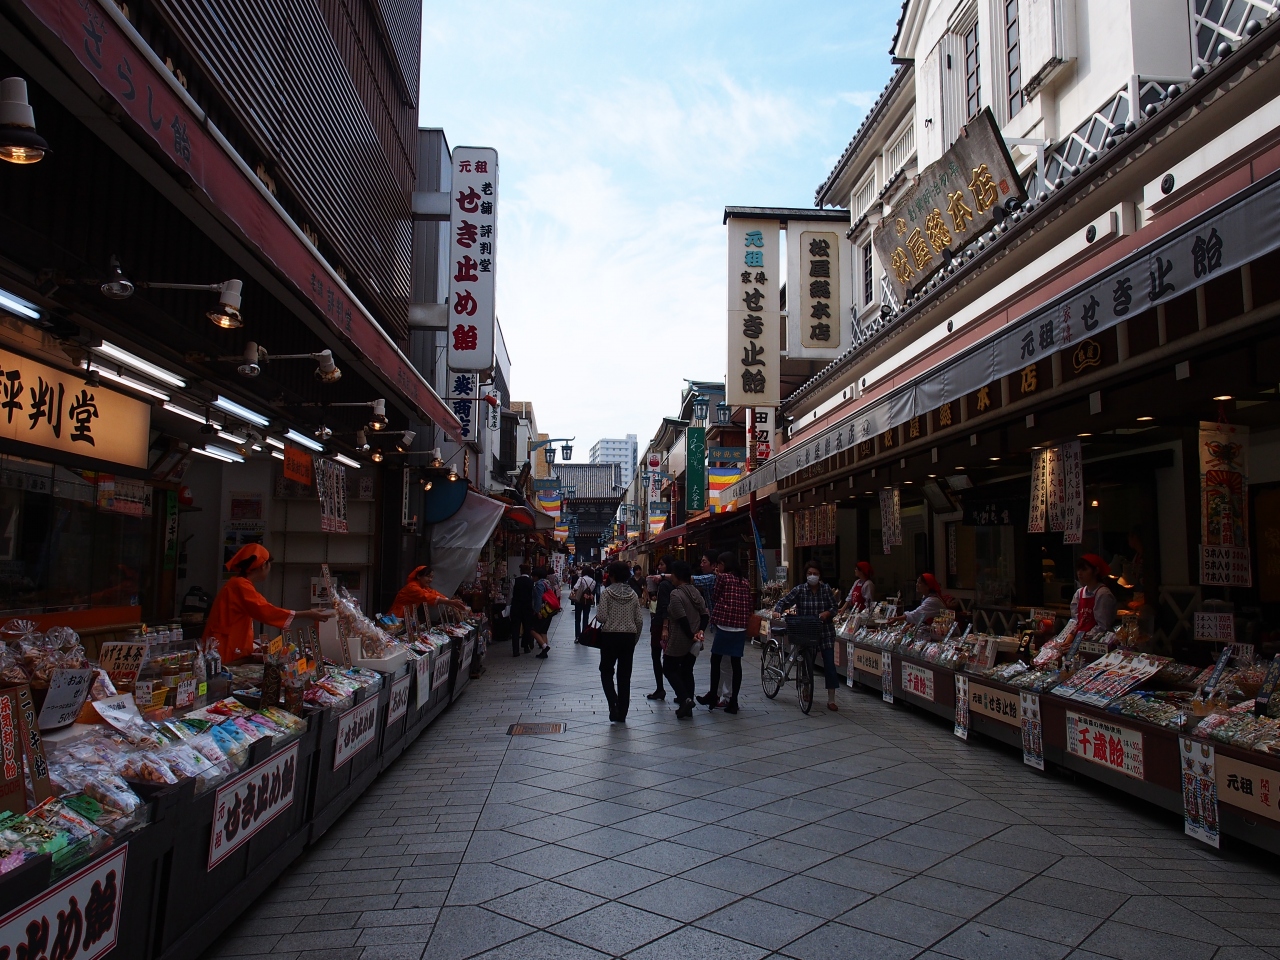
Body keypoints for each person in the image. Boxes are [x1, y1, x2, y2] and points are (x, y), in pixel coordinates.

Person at [204, 544, 333, 662]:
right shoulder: (240, 586)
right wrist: (307, 614)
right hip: (224, 646)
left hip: (226, 643)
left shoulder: (238, 584)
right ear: (263, 565)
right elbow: (266, 611)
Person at [773, 561, 841, 711]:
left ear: (820, 575)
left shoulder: (826, 590)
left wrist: (827, 613)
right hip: (806, 631)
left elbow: (834, 607)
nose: (812, 576)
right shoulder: (800, 590)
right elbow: (784, 601)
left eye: (815, 574)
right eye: (810, 573)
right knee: (806, 662)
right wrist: (777, 610)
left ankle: (831, 698)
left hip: (825, 631)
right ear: (805, 575)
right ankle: (806, 689)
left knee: (829, 664)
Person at [697, 552, 752, 714]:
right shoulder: (745, 581)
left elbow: (715, 596)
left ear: (724, 565)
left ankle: (714, 694)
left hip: (725, 624)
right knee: (736, 663)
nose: (718, 567)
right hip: (740, 626)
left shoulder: (723, 578)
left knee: (716, 660)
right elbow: (749, 603)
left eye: (720, 564)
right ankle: (733, 700)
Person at [596, 561, 644, 722]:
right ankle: (622, 712)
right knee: (624, 675)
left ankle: (613, 702)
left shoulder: (606, 593)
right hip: (628, 637)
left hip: (610, 636)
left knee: (606, 670)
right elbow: (639, 620)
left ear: (612, 575)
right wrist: (634, 639)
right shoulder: (633, 594)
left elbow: (601, 617)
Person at [663, 560, 707, 719]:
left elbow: (681, 618)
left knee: (668, 668)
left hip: (680, 638)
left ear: (677, 576)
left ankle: (685, 699)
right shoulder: (695, 591)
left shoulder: (676, 594)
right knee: (687, 670)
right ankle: (687, 707)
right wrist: (700, 631)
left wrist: (690, 634)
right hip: (695, 639)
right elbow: (705, 614)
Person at [391, 565, 470, 623]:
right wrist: (450, 602)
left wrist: (449, 602)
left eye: (432, 577)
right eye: (428, 576)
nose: (430, 580)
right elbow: (427, 597)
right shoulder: (412, 587)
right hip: (397, 618)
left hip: (406, 618)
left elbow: (433, 593)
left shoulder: (423, 587)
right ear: (418, 576)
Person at [646, 557, 674, 701]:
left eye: (662, 564)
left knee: (657, 656)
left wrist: (664, 627)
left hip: (660, 624)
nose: (659, 567)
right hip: (672, 623)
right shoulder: (675, 584)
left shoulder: (664, 585)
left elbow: (664, 606)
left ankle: (661, 688)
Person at [1071, 554, 1118, 634]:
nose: (1079, 573)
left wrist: (1085, 636)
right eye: (1078, 569)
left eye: (1084, 569)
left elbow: (1103, 626)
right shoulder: (1079, 593)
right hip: (1079, 637)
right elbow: (1075, 621)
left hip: (1096, 639)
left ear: (1096, 571)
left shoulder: (1103, 594)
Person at [529, 564, 556, 658]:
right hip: (549, 610)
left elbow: (538, 599)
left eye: (533, 576)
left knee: (532, 630)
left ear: (537, 576)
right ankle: (544, 652)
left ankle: (545, 647)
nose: (532, 578)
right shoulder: (546, 583)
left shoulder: (539, 584)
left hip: (543, 611)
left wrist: (537, 611)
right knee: (543, 631)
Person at [510, 564, 535, 655]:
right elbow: (533, 597)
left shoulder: (514, 581)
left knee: (515, 629)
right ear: (529, 572)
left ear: (520, 571)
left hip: (516, 607)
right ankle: (525, 646)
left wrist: (508, 606)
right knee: (527, 627)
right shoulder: (532, 582)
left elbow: (510, 595)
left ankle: (515, 650)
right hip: (527, 607)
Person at [571, 567, 596, 641]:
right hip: (587, 600)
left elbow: (575, 587)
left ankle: (577, 636)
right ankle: (584, 636)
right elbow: (591, 590)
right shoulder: (593, 581)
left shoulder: (581, 579)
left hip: (579, 600)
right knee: (586, 617)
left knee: (577, 619)